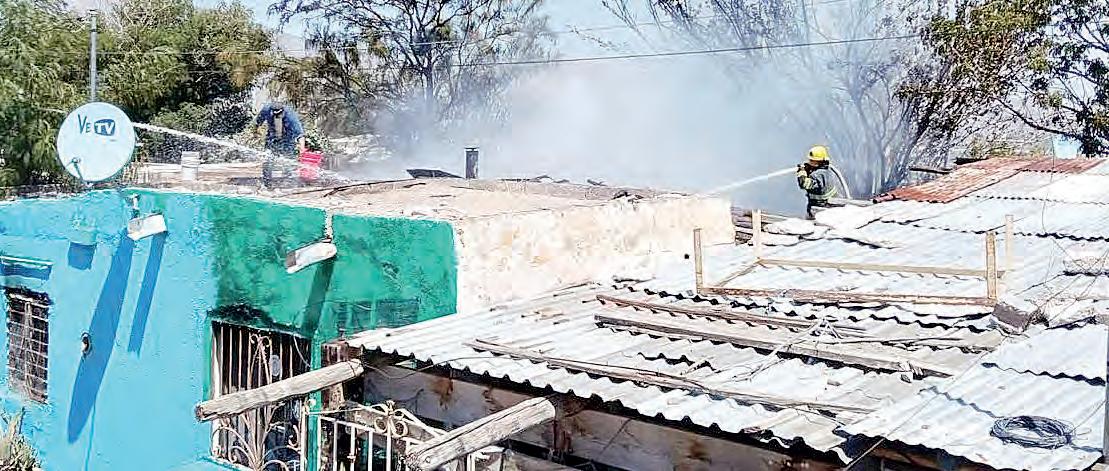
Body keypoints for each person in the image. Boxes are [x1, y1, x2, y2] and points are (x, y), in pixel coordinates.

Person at [254, 102, 306, 186]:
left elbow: (300, 134)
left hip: (287, 140)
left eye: (278, 114)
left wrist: (302, 149)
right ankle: (267, 181)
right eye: (274, 114)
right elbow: (258, 121)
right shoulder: (266, 109)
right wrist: (256, 131)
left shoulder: (291, 117)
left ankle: (287, 181)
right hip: (272, 138)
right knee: (268, 159)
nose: (276, 116)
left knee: (288, 160)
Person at [796, 145, 838, 219]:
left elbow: (804, 184)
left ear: (819, 162)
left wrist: (802, 172)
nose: (809, 162)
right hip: (831, 205)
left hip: (819, 208)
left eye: (812, 161)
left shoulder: (816, 175)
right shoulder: (827, 170)